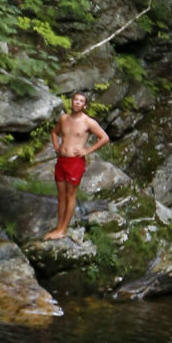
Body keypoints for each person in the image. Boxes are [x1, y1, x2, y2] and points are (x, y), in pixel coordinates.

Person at [46, 91, 109, 242]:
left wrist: (87, 150)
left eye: (81, 101)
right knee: (61, 195)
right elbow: (54, 132)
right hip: (61, 160)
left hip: (75, 162)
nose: (77, 103)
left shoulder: (88, 122)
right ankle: (58, 227)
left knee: (70, 195)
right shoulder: (64, 118)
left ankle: (63, 229)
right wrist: (57, 147)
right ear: (72, 101)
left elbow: (104, 138)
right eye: (75, 100)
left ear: (84, 105)